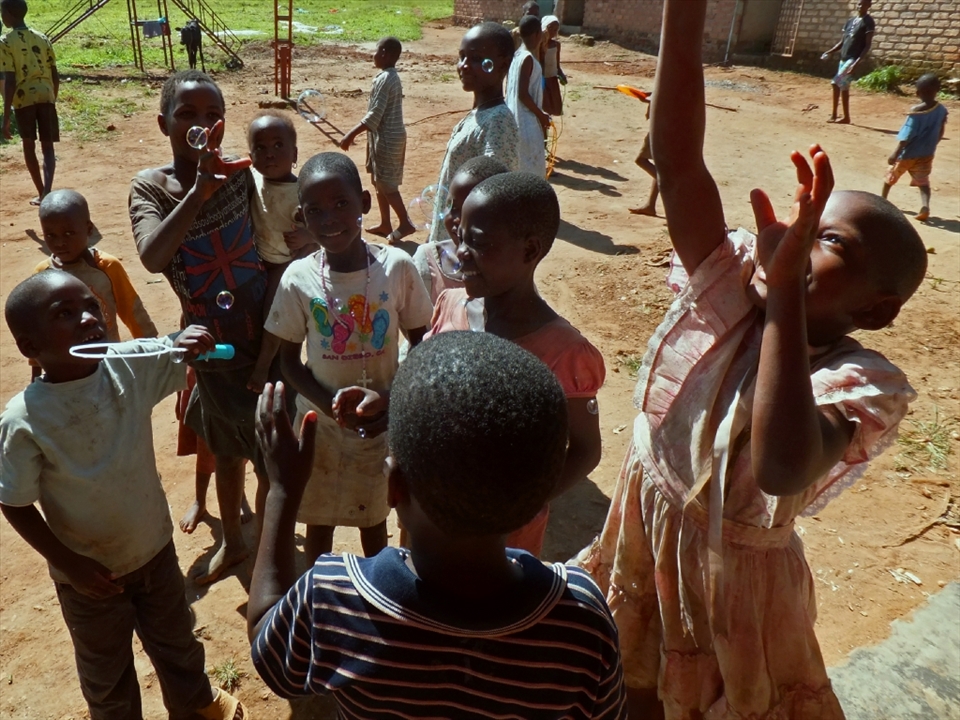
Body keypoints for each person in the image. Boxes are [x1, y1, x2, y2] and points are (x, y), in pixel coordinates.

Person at [575, 1, 928, 717]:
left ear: (874, 310)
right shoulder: (732, 285)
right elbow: (677, 164)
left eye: (831, 245)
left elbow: (779, 467)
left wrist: (788, 304)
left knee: (705, 700)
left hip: (732, 584)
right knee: (632, 675)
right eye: (808, 221)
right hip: (649, 524)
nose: (801, 236)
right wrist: (686, 12)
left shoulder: (856, 384)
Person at [247, 334, 627, 718]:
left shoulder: (335, 598)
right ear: (537, 498)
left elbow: (269, 645)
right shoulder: (582, 622)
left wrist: (281, 490)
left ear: (393, 487)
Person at [0, 271, 246, 720]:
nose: (89, 318)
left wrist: (188, 340)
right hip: (87, 577)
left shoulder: (124, 364)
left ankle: (194, 708)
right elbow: (13, 501)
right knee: (106, 672)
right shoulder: (23, 420)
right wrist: (70, 563)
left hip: (153, 548)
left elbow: (170, 350)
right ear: (30, 347)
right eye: (66, 314)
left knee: (177, 642)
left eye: (92, 305)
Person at [129, 69, 278, 585]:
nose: (203, 124)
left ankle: (263, 546)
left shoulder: (242, 172)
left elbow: (279, 227)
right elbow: (152, 256)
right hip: (211, 349)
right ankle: (235, 544)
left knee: (268, 452)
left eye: (214, 114)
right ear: (163, 122)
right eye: (188, 114)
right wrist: (197, 192)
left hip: (266, 339)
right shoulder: (151, 188)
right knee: (226, 448)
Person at [264, 152, 433, 562]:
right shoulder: (298, 278)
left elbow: (422, 343)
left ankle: (375, 599)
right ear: (301, 217)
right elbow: (287, 360)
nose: (330, 218)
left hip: (381, 424)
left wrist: (390, 402)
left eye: (341, 204)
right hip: (319, 426)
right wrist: (329, 406)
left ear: (364, 203)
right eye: (316, 210)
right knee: (318, 520)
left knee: (373, 517)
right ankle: (318, 595)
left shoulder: (396, 267)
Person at [425, 172, 604, 556]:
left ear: (529, 250)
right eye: (462, 237)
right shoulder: (451, 307)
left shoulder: (563, 352)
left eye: (479, 243)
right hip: (432, 517)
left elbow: (587, 449)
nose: (461, 254)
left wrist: (518, 504)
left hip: (505, 543)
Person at [33, 189, 158, 378]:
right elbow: (37, 328)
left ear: (89, 229)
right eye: (50, 235)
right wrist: (36, 373)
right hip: (65, 371)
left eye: (68, 233)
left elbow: (132, 310)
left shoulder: (107, 267)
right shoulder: (43, 275)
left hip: (108, 364)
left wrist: (152, 348)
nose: (60, 243)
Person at [426, 22, 519, 246]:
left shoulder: (498, 122)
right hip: (449, 241)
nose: (464, 66)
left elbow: (493, 195)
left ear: (503, 65)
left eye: (476, 59)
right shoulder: (479, 115)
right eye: (462, 57)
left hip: (465, 246)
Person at [246, 110, 316, 392]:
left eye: (278, 146)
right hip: (259, 260)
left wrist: (307, 235)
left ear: (295, 153)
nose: (269, 154)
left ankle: (263, 365)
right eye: (260, 148)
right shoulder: (252, 178)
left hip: (287, 263)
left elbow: (323, 229)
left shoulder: (302, 192)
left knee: (273, 311)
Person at [340, 36, 416, 244]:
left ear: (386, 55)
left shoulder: (387, 79)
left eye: (377, 50)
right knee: (378, 181)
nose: (373, 54)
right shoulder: (386, 76)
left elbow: (374, 115)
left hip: (387, 140)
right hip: (381, 138)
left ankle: (405, 223)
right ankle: (385, 224)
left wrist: (350, 135)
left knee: (387, 184)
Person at [411, 155, 508, 304]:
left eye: (471, 212)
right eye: (452, 207)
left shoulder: (511, 268)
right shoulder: (426, 264)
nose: (457, 219)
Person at [0, 0, 60, 205]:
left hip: (24, 98)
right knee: (48, 147)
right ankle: (48, 190)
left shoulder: (5, 42)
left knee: (29, 145)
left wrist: (6, 115)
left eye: (1, 12)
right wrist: (53, 97)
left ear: (8, 14)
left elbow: (9, 80)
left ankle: (41, 192)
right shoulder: (42, 38)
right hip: (46, 95)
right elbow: (54, 72)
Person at [882, 73, 948, 222]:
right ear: (938, 90)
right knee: (923, 181)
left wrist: (895, 154)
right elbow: (941, 131)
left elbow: (907, 135)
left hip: (908, 154)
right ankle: (925, 206)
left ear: (917, 93)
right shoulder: (942, 110)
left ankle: (882, 201)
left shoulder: (916, 112)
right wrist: (933, 144)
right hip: (927, 153)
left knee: (891, 176)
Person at [506, 15, 548, 176]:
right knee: (531, 172)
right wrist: (541, 115)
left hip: (514, 120)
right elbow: (522, 94)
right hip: (526, 123)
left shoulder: (516, 56)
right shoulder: (527, 58)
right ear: (537, 34)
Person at [821, 0, 874, 124]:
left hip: (852, 59)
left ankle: (834, 114)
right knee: (844, 88)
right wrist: (830, 51)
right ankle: (846, 117)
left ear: (869, 6)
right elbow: (842, 42)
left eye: (863, 4)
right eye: (859, 3)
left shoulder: (868, 22)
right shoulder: (850, 21)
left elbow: (867, 45)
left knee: (835, 83)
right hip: (844, 58)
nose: (860, 6)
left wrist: (856, 63)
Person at [629, 96, 659, 217]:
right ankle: (650, 205)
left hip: (661, 126)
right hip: (668, 124)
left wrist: (650, 98)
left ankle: (669, 186)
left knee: (641, 160)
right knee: (660, 166)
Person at [540, 15, 564, 117]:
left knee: (553, 107)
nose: (553, 32)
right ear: (544, 28)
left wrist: (561, 74)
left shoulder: (556, 45)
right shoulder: (540, 45)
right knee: (544, 106)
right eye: (551, 29)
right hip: (543, 80)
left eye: (556, 30)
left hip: (552, 79)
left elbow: (557, 65)